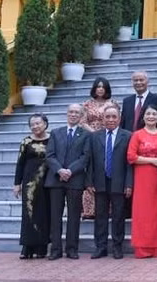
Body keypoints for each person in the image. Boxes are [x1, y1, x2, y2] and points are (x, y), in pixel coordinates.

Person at [45, 104, 90, 260]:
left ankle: (72, 249)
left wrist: (70, 170)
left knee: (74, 216)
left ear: (81, 115)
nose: (73, 114)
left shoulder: (85, 135)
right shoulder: (56, 133)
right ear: (67, 114)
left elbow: (85, 157)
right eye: (71, 112)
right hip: (55, 180)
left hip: (75, 179)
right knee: (55, 216)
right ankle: (56, 250)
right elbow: (49, 155)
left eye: (77, 112)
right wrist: (60, 170)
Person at [87, 106, 133, 260]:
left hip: (119, 182)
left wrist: (129, 184)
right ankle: (101, 247)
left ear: (119, 118)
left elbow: (129, 163)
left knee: (118, 216)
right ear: (103, 118)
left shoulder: (127, 136)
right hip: (99, 181)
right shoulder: (95, 136)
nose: (111, 120)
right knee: (100, 216)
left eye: (114, 117)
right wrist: (89, 181)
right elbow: (90, 161)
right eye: (108, 117)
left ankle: (117, 247)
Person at [126, 106, 157, 258]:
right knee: (143, 212)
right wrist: (152, 160)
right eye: (148, 114)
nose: (151, 116)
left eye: (154, 114)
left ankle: (156, 247)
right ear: (143, 117)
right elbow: (131, 157)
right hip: (143, 177)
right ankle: (143, 247)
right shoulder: (137, 135)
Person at [13, 113, 51, 259]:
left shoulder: (52, 140)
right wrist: (17, 184)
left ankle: (42, 247)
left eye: (38, 123)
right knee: (29, 214)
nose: (35, 126)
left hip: (47, 183)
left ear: (45, 124)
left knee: (45, 213)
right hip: (30, 184)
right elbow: (20, 164)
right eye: (32, 124)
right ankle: (27, 248)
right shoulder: (26, 142)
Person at [80, 77, 120, 218]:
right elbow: (82, 122)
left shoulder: (113, 103)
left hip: (109, 140)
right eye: (98, 86)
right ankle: (89, 209)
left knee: (107, 168)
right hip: (91, 139)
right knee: (92, 169)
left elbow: (116, 121)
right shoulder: (87, 104)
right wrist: (95, 133)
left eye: (103, 86)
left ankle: (108, 208)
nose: (100, 89)